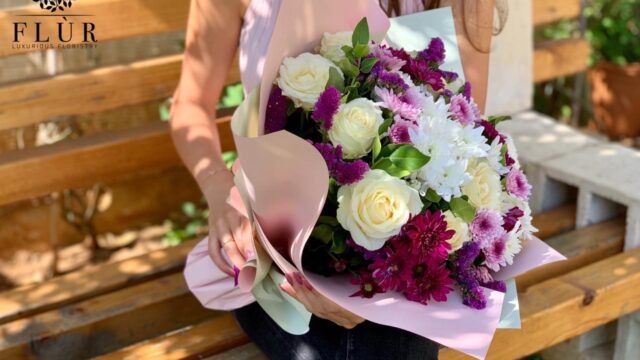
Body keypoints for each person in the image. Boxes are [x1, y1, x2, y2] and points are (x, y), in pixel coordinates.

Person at [171, 1, 501, 358]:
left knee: (387, 331)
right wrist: (218, 188)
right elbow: (190, 104)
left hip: (400, 247)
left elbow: (461, 131)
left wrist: (370, 296)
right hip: (273, 245)